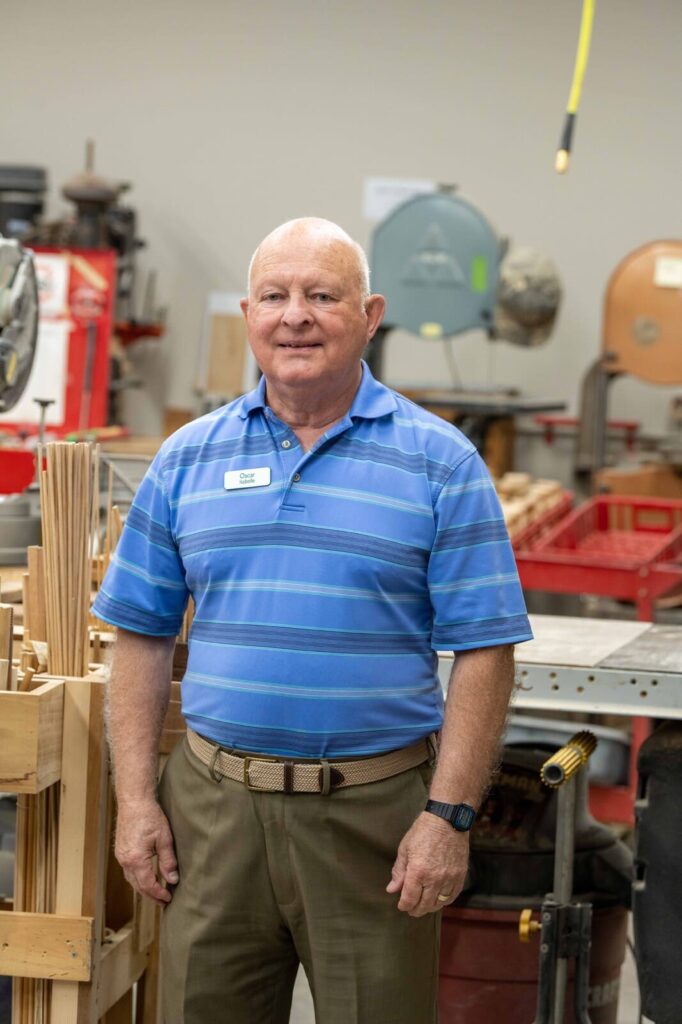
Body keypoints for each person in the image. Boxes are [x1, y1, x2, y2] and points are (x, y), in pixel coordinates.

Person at [93, 217, 533, 1024]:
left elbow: (485, 651)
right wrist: (136, 802)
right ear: (249, 314)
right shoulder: (187, 458)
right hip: (212, 815)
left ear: (370, 315)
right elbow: (141, 637)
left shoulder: (441, 463)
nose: (294, 315)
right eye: (274, 296)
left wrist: (448, 817)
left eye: (322, 296)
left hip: (375, 819)